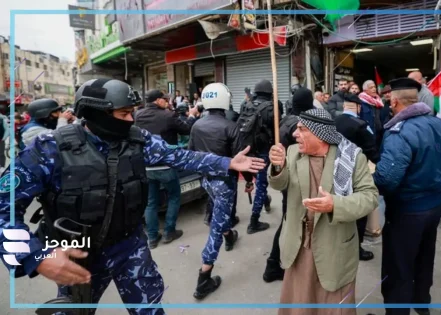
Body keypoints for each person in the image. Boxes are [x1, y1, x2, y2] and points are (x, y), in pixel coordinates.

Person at [0, 78, 266, 314]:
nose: (131, 120)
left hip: (129, 246)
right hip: (79, 254)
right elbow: (4, 207)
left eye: (133, 112)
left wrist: (227, 163)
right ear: (97, 113)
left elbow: (179, 155)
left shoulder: (137, 139)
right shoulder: (49, 149)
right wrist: (35, 256)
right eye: (124, 113)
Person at [373, 78, 441, 315]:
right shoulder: (438, 124)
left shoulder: (399, 131)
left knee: (398, 266)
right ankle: (421, 301)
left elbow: (387, 179)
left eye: (389, 100)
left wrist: (373, 183)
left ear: (394, 101)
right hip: (434, 205)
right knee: (424, 257)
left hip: (407, 210)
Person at [268, 108, 378, 314]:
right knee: (299, 302)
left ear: (319, 133)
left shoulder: (352, 158)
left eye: (301, 129)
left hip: (334, 246)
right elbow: (279, 184)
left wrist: (335, 205)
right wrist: (277, 167)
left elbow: (370, 197)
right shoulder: (292, 153)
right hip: (299, 245)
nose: (294, 134)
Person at [188, 83, 245, 299]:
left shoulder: (196, 126)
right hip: (224, 184)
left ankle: (229, 235)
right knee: (215, 227)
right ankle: (204, 278)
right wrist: (249, 181)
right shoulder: (231, 126)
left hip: (206, 181)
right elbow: (241, 159)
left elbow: (190, 154)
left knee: (220, 218)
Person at [134, 89, 199, 249]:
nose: (168, 101)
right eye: (165, 99)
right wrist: (191, 115)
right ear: (157, 101)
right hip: (166, 166)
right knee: (174, 196)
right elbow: (186, 129)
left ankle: (152, 238)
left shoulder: (137, 115)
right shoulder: (167, 116)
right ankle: (169, 232)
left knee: (151, 203)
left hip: (146, 167)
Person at [262, 87, 315, 283]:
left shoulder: (285, 120)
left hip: (285, 178)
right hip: (294, 180)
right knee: (289, 222)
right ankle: (274, 265)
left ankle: (275, 264)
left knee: (287, 220)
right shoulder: (299, 125)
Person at [335, 92, 379, 262]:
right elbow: (372, 151)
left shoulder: (333, 122)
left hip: (334, 170)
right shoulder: (361, 125)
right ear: (358, 108)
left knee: (337, 205)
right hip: (355, 174)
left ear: (345, 106)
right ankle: (356, 248)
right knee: (359, 211)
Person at [237, 79, 284, 234]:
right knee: (262, 184)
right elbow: (277, 126)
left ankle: (265, 201)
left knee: (260, 180)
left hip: (248, 149)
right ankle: (254, 222)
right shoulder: (273, 106)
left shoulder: (246, 105)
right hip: (264, 150)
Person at [359, 80, 391, 149]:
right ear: (365, 90)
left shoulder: (379, 102)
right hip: (368, 136)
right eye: (371, 87)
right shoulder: (361, 103)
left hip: (379, 135)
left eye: (374, 87)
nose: (374, 89)